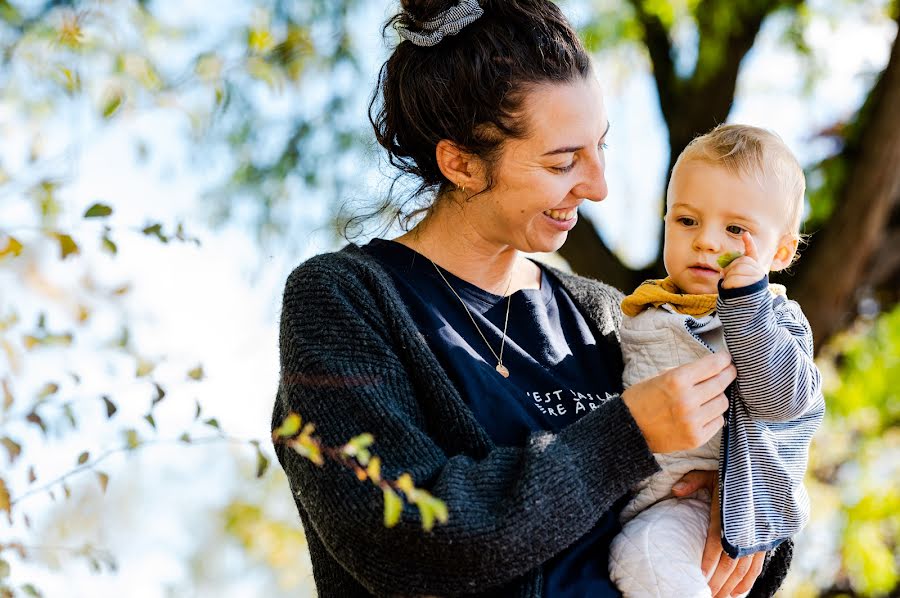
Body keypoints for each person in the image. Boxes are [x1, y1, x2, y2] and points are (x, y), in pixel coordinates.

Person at [271, 1, 794, 596]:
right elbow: (409, 539)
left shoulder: (604, 314)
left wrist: (729, 502)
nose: (597, 185)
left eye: (600, 146)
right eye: (563, 161)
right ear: (462, 163)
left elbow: (761, 466)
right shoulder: (345, 301)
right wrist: (627, 437)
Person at [608, 124, 825, 598]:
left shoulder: (776, 319)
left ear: (781, 251)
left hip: (705, 504)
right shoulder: (641, 309)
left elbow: (784, 400)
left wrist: (747, 305)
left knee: (645, 557)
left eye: (735, 229)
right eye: (687, 221)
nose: (706, 241)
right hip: (626, 491)